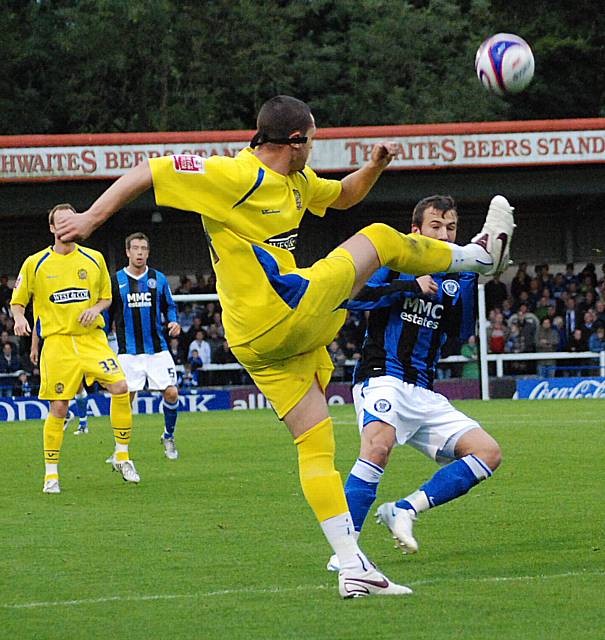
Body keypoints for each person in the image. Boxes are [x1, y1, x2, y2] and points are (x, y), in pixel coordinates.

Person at [54, 95, 514, 598]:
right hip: (283, 312)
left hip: (259, 342)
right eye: (312, 140)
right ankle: (476, 258)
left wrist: (375, 166)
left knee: (316, 443)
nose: (315, 148)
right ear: (294, 142)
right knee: (381, 238)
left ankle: (350, 566)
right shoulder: (234, 176)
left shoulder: (296, 181)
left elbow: (343, 196)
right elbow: (149, 169)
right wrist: (91, 219)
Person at [324, 195, 502, 571]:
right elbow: (351, 298)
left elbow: (459, 334)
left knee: (487, 453)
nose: (445, 233)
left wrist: (476, 279)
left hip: (423, 388)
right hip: (382, 375)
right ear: (416, 231)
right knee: (378, 447)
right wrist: (408, 288)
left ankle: (405, 510)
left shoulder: (459, 273)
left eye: (451, 228)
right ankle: (344, 551)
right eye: (436, 226)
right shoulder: (393, 259)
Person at [11, 203, 139, 493]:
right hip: (58, 343)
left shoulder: (94, 259)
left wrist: (96, 309)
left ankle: (122, 456)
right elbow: (18, 301)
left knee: (121, 387)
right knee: (59, 406)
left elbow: (106, 298)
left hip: (92, 340)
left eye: (73, 221)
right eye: (62, 223)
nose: (68, 227)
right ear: (53, 229)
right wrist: (19, 318)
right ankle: (51, 475)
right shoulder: (35, 263)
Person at [109, 232, 181, 460]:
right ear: (127, 252)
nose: (140, 252)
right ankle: (120, 450)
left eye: (143, 248)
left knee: (171, 393)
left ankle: (168, 435)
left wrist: (174, 320)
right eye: (135, 248)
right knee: (124, 399)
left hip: (157, 349)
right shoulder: (116, 281)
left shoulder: (158, 279)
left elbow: (170, 306)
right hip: (127, 352)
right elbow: (106, 313)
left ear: (148, 252)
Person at [30, 330, 90, 434]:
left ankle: (83, 424)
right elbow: (37, 322)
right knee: (51, 387)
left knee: (78, 385)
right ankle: (66, 415)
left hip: (71, 343)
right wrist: (34, 347)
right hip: (50, 347)